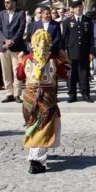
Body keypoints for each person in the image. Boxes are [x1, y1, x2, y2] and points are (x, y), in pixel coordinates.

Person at [16, 29, 71, 174]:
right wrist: (65, 59)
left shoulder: (27, 58)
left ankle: (40, 153)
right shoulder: (55, 60)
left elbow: (19, 75)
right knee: (43, 128)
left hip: (29, 100)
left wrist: (19, 61)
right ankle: (36, 161)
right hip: (46, 100)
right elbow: (66, 74)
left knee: (34, 125)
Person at [62, 0, 95, 103]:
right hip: (72, 52)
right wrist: (64, 52)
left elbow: (91, 38)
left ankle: (85, 94)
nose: (79, 9)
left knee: (84, 74)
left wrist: (91, 52)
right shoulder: (68, 21)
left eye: (80, 7)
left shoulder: (87, 20)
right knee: (72, 74)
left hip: (84, 52)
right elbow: (65, 38)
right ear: (73, 9)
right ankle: (72, 95)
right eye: (76, 7)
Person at [0, 0, 26, 103]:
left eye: (8, 2)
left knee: (16, 71)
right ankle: (9, 93)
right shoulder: (2, 14)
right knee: (6, 72)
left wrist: (12, 41)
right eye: (5, 2)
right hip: (4, 47)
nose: (6, 4)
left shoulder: (20, 13)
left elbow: (21, 28)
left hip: (16, 46)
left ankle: (17, 94)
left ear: (14, 2)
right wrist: (5, 40)